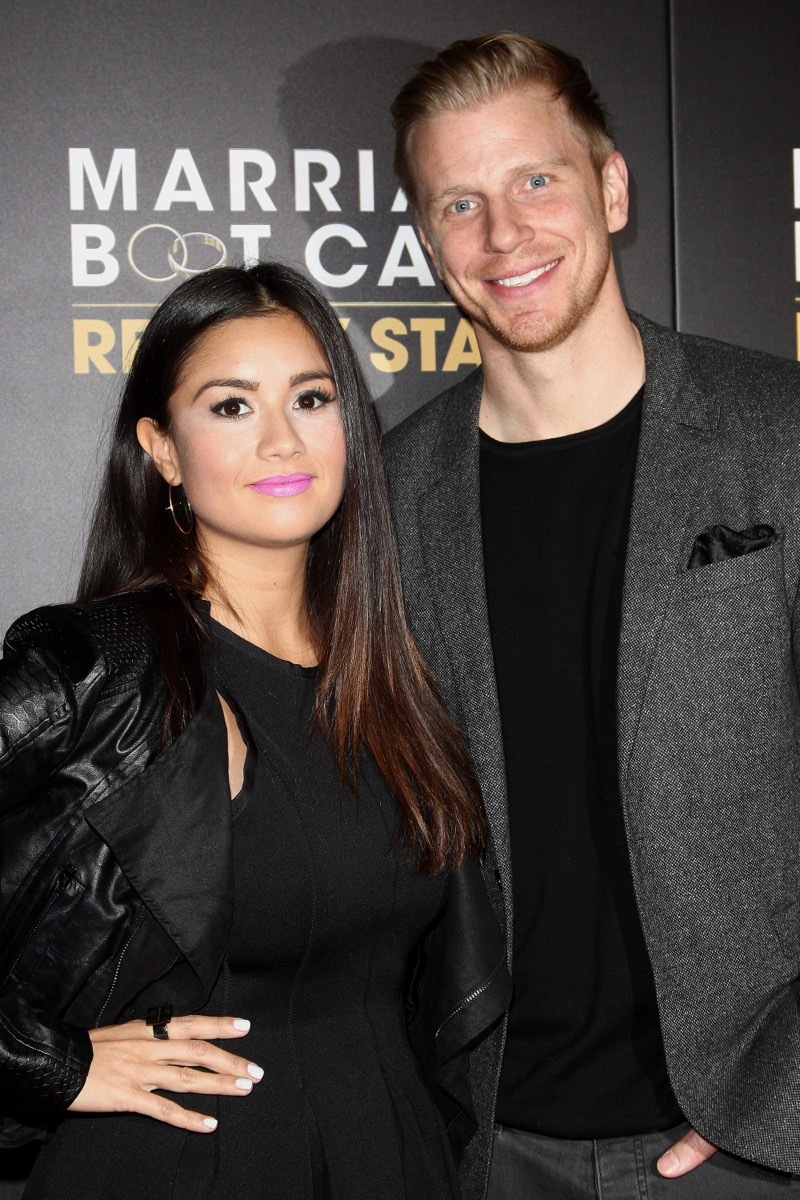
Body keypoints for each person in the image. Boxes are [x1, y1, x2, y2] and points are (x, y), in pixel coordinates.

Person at [383, 31, 800, 1200]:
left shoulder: (781, 436)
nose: (502, 236)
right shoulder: (391, 494)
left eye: (533, 181)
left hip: (749, 1145)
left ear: (609, 188)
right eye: (458, 203)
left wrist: (779, 1105)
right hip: (487, 1148)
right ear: (427, 239)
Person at [0, 261, 509, 1199]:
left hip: (394, 1159)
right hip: (177, 1169)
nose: (282, 438)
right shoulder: (94, 669)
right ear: (161, 448)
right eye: (231, 407)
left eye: (311, 398)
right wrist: (47, 1062)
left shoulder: (398, 673)